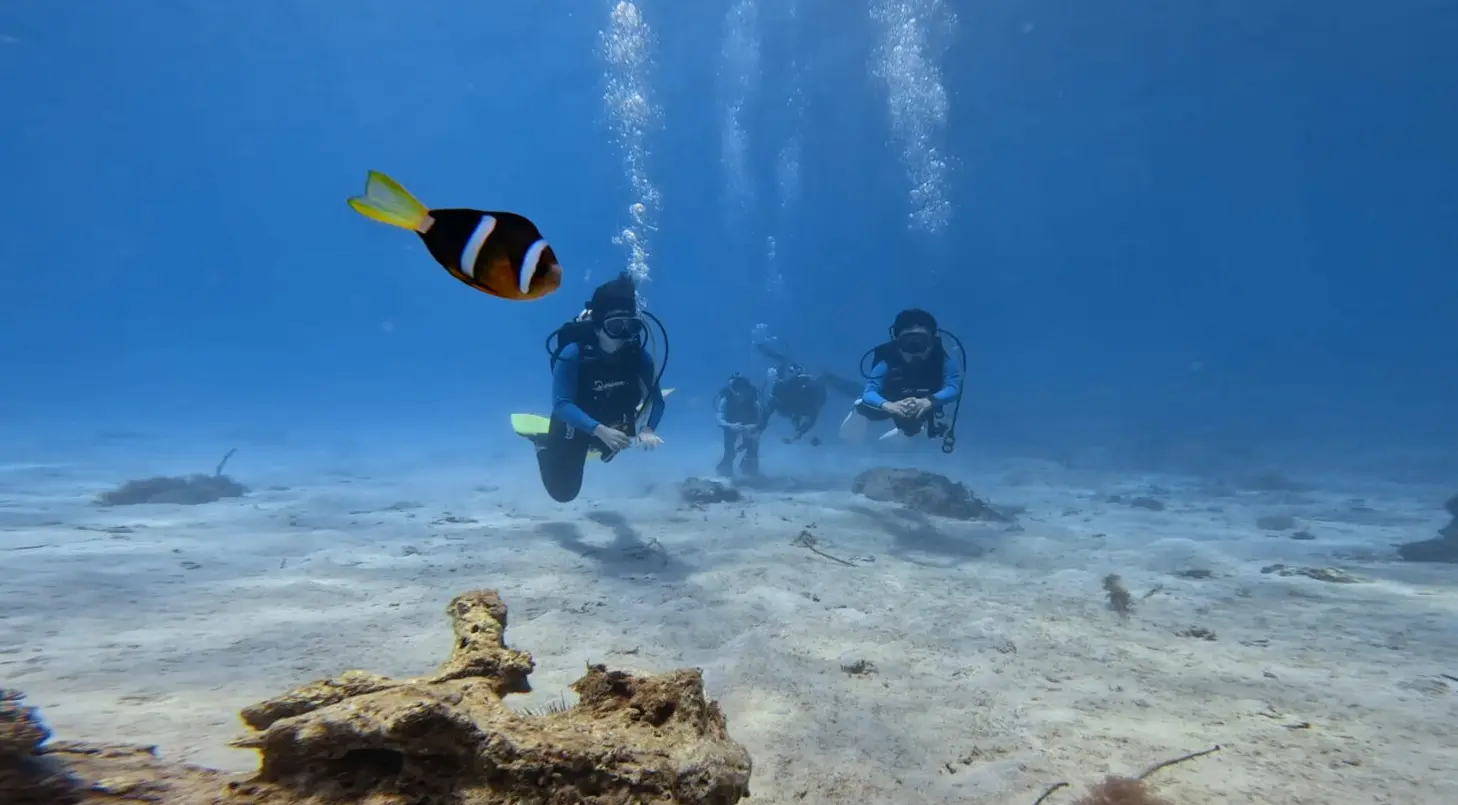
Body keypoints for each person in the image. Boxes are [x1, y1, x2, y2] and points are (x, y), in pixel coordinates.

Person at [534, 273, 666, 502]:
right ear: (597, 328)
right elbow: (562, 404)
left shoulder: (638, 356)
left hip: (609, 420)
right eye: (615, 326)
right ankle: (541, 444)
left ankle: (599, 443)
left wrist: (648, 429)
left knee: (612, 449)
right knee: (563, 493)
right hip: (574, 420)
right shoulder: (574, 353)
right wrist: (598, 430)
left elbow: (658, 400)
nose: (624, 335)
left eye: (631, 326)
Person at [839, 308, 963, 445]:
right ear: (897, 341)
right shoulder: (887, 360)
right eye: (908, 343)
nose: (914, 350)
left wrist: (929, 401)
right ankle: (858, 411)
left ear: (932, 342)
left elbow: (954, 388)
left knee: (914, 429)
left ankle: (906, 432)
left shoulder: (941, 360)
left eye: (920, 342)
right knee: (864, 407)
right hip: (889, 401)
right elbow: (869, 392)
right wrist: (889, 406)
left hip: (924, 405)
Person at [762, 362, 828, 444]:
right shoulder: (788, 393)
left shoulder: (809, 401)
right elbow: (809, 422)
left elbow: (809, 421)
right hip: (796, 402)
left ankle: (786, 364)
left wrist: (794, 437)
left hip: (802, 402)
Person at [714, 373, 763, 476]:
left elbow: (760, 420)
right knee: (729, 451)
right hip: (730, 425)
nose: (739, 393)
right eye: (736, 388)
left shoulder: (753, 401)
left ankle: (751, 472)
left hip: (748, 426)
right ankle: (725, 471)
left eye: (742, 389)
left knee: (752, 448)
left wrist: (751, 427)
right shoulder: (726, 399)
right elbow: (719, 417)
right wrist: (730, 426)